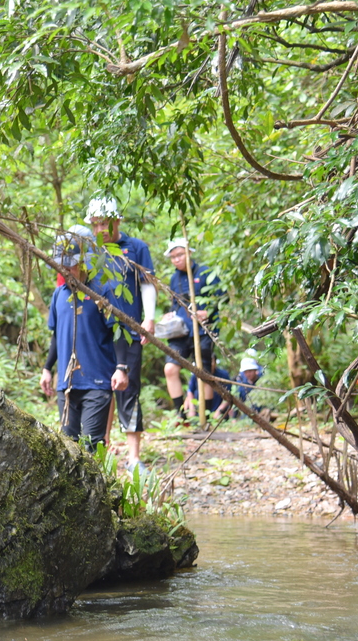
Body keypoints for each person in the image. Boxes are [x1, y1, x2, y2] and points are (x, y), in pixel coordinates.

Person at [39, 231, 130, 446]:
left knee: (91, 444)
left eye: (70, 265)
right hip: (67, 383)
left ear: (83, 263)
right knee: (68, 445)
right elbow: (57, 334)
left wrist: (121, 367)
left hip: (97, 380)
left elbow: (118, 331)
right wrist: (46, 368)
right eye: (61, 265)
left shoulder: (102, 291)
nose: (66, 270)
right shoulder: (59, 294)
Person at [84, 196, 155, 469]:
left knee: (128, 388)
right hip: (98, 331)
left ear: (117, 221)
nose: (100, 229)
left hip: (128, 329)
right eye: (95, 224)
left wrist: (148, 319)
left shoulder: (136, 248)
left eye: (104, 223)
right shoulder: (90, 252)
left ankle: (134, 456)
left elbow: (147, 284)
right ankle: (103, 443)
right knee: (102, 386)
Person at [161, 237, 225, 421]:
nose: (176, 259)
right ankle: (180, 417)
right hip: (181, 331)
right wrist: (170, 314)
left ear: (189, 253)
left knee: (204, 372)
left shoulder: (205, 273)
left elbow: (222, 298)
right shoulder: (174, 278)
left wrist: (208, 312)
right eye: (173, 257)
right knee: (170, 369)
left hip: (203, 331)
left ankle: (205, 418)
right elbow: (176, 305)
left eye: (180, 254)